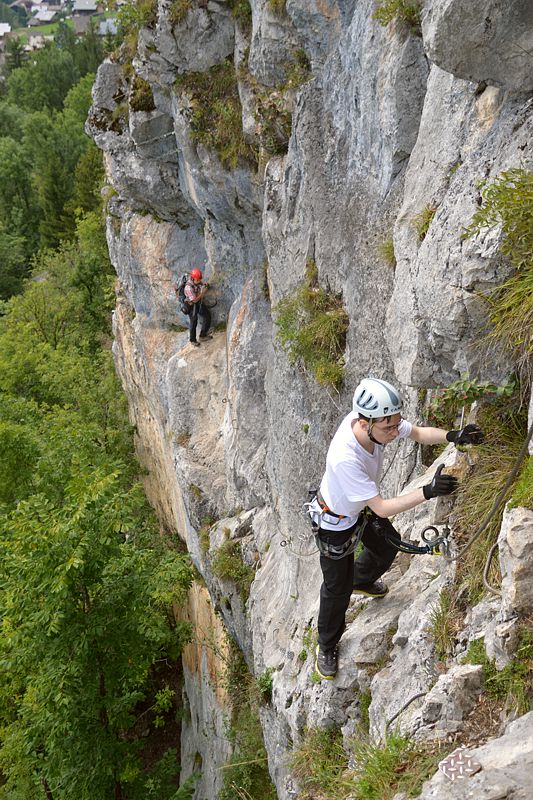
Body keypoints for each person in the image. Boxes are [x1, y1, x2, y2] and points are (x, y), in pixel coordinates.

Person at [312, 377, 484, 680]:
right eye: (389, 428)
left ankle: (361, 580)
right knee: (336, 591)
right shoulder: (345, 458)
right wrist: (428, 492)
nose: (395, 432)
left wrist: (453, 435)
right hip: (335, 523)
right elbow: (381, 507)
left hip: (358, 507)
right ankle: (326, 646)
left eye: (395, 424)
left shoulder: (377, 421)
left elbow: (416, 432)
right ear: (365, 424)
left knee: (387, 547)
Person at [185, 268, 212, 347]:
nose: (199, 281)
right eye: (198, 280)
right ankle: (192, 340)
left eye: (200, 279)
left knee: (207, 315)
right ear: (193, 279)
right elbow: (194, 300)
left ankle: (202, 335)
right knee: (194, 322)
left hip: (197, 301)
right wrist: (203, 292)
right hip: (191, 304)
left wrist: (204, 284)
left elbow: (199, 282)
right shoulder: (188, 288)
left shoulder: (196, 280)